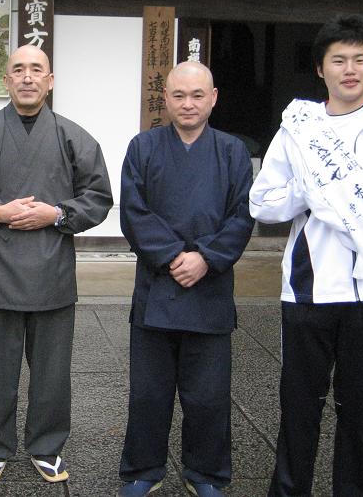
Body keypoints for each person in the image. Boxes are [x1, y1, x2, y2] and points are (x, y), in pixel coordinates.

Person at [250, 14, 363, 497]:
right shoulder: (298, 130)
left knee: (360, 412)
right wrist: (310, 191)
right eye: (338, 60)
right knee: (298, 409)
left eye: (359, 59)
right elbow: (263, 203)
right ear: (320, 70)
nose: (348, 69)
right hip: (309, 289)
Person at [0, 44, 113, 485]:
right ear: (6, 81)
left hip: (52, 268)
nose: (27, 77)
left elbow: (98, 197)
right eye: (17, 70)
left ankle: (47, 445)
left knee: (53, 370)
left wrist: (56, 214)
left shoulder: (73, 137)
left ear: (50, 81)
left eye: (36, 70)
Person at [117, 61, 254, 497]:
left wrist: (206, 258)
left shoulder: (233, 152)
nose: (188, 103)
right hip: (158, 288)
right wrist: (176, 256)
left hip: (209, 288)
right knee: (148, 395)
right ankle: (143, 469)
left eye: (198, 95)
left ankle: (207, 473)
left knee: (209, 398)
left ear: (213, 98)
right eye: (179, 95)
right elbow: (133, 212)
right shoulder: (143, 147)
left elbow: (242, 216)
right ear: (166, 99)